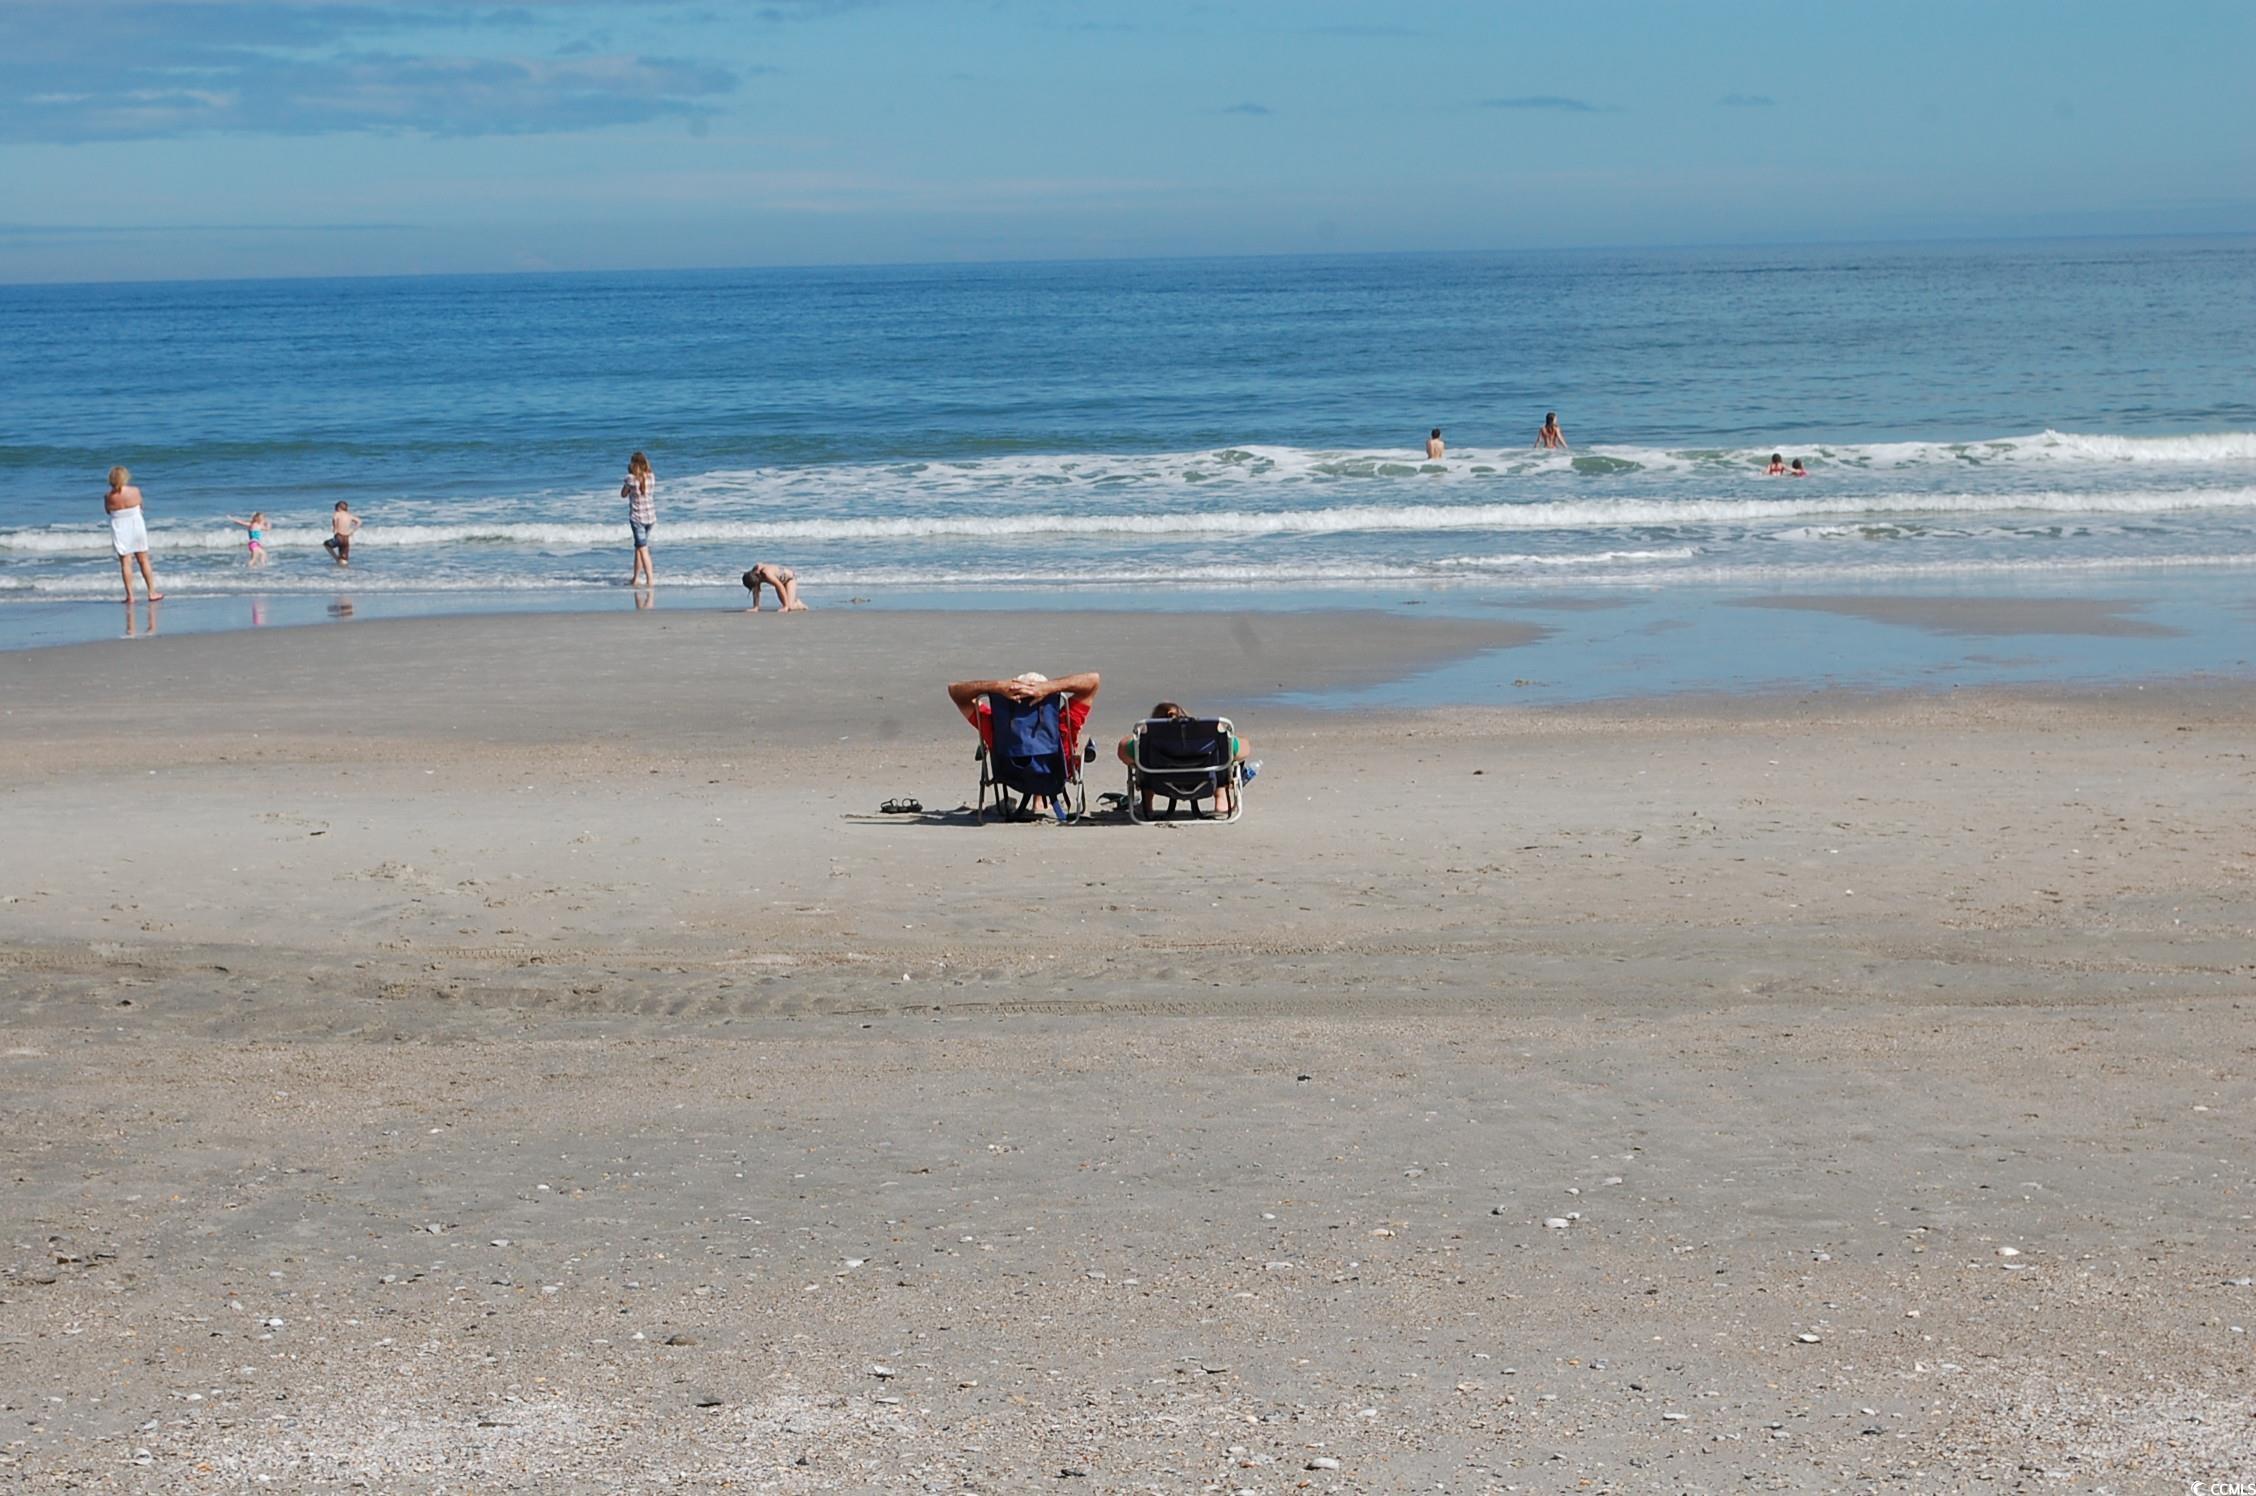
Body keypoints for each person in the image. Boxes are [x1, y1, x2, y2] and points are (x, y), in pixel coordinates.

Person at [949, 671, 1100, 814]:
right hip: (1056, 772)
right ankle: (1039, 800)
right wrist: (1050, 687)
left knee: (1026, 744)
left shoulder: (996, 724)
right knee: (1043, 744)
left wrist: (996, 687)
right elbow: (1093, 680)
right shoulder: (1065, 721)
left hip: (1011, 774)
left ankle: (1038, 798)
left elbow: (955, 691)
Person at [1117, 701, 1251, 817]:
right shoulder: (1208, 738)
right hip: (1206, 781)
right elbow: (1245, 750)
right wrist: (1230, 737)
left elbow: (1122, 751)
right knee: (1224, 755)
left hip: (1161, 783)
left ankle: (1147, 803)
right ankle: (1221, 799)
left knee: (1143, 759)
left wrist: (1137, 736)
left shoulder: (1148, 741)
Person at [103, 466, 163, 601]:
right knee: (143, 559)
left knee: (125, 562)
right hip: (136, 526)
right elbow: (142, 506)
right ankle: (151, 592)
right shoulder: (135, 491)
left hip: (119, 528)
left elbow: (108, 511)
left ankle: (130, 595)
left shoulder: (108, 496)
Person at [623, 451, 655, 586]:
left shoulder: (630, 479)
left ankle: (650, 579)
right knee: (639, 548)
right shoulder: (651, 477)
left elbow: (623, 494)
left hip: (638, 518)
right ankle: (635, 578)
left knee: (643, 549)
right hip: (650, 517)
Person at [742, 563, 808, 612]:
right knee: (788, 606)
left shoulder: (766, 573)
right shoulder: (754, 574)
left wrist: (785, 606)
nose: (756, 588)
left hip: (790, 579)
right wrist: (756, 607)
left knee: (790, 607)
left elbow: (780, 586)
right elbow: (756, 591)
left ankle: (799, 604)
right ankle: (790, 604)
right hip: (780, 582)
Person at [322, 501, 362, 565]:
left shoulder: (337, 513)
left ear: (338, 508)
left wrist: (335, 528)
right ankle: (344, 572)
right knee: (344, 559)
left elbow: (335, 518)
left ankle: (336, 558)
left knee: (326, 544)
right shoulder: (349, 515)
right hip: (346, 539)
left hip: (339, 537)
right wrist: (352, 531)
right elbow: (359, 522)